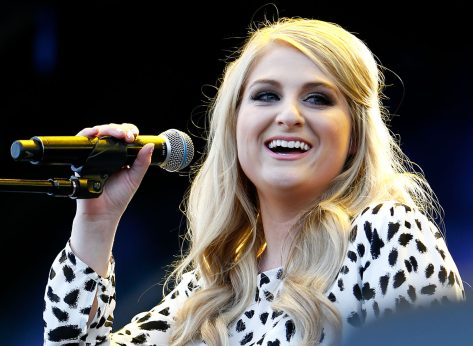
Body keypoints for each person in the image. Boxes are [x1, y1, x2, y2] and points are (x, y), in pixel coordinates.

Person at [43, 17, 466, 345]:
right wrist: (97, 223)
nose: (288, 115)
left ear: (354, 136)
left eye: (318, 98)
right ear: (235, 126)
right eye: (266, 95)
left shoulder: (387, 235)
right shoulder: (212, 290)